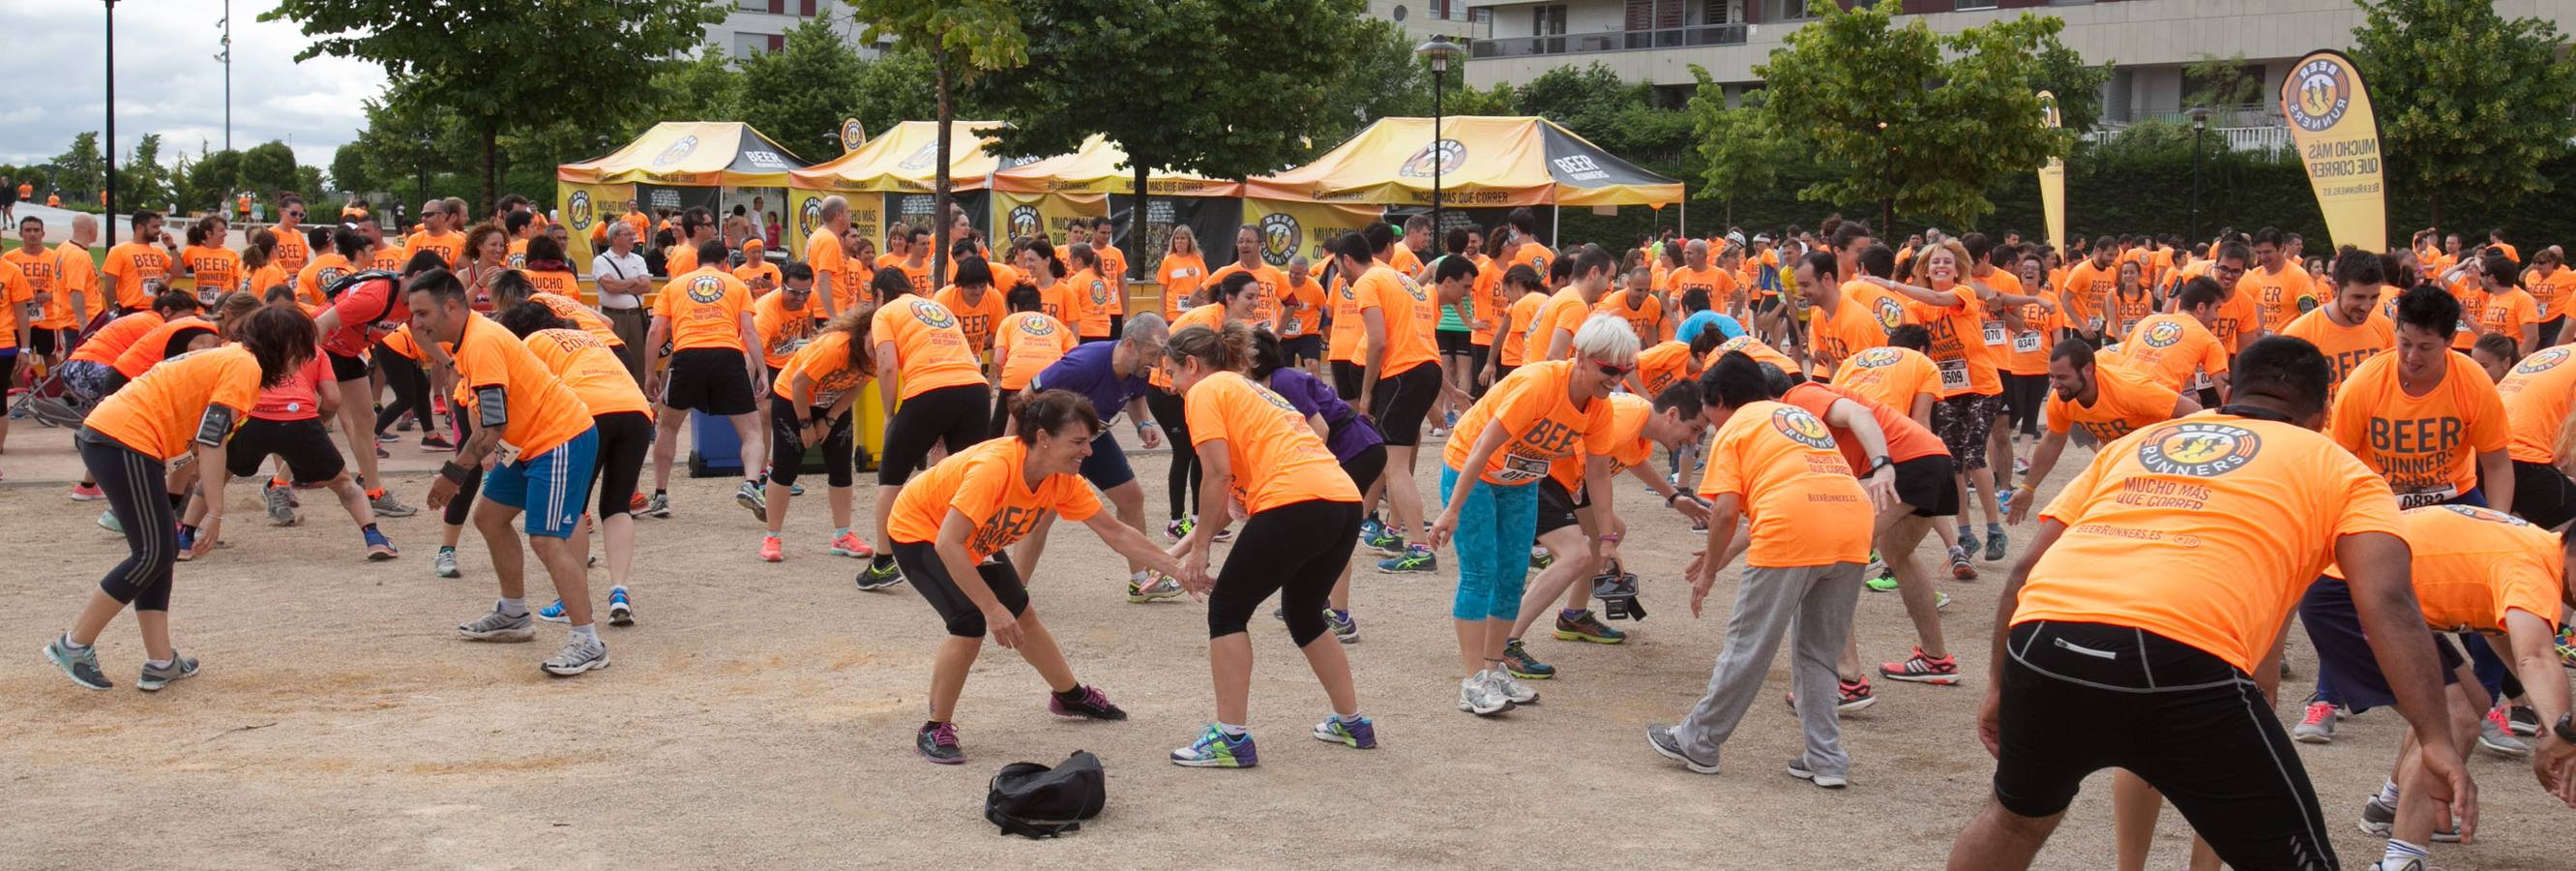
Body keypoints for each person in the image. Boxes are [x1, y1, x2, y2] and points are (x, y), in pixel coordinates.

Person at [1945, 335, 2473, 871]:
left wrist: (1998, 686)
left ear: (2231, 392)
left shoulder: (2141, 442)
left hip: (2043, 642)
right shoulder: (2340, 467)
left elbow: (2023, 572)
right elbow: (2387, 602)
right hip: (2180, 657)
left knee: (2011, 822)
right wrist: (2435, 737)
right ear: (2321, 412)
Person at [889, 391, 1184, 764]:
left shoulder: (1061, 478)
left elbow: (1117, 533)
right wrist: (991, 607)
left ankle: (1068, 695)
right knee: (968, 623)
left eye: (1089, 442)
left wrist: (1177, 568)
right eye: (1077, 442)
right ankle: (935, 726)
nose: (1088, 452)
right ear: (1043, 437)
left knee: (1023, 613)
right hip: (921, 532)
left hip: (972, 539)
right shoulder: (995, 468)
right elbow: (949, 543)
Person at [41, 304, 315, 691]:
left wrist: (172, 500)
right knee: (153, 553)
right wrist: (215, 513)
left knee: (161, 551)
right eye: (303, 348)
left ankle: (160, 661)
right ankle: (74, 643)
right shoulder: (245, 365)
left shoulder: (234, 360)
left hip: (126, 440)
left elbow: (194, 440)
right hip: (124, 439)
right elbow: (211, 439)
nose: (306, 359)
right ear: (286, 345)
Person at [2291, 505, 2576, 871]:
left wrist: (2549, 723)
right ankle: (2402, 860)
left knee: (2474, 705)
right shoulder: (2532, 570)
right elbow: (2534, 657)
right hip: (2352, 596)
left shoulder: (2539, 545)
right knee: (2454, 720)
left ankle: (2388, 807)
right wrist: (2561, 735)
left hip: (2382, 593)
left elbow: (2506, 634)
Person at [1643, 350, 1877, 785]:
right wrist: (1722, 558)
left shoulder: (1735, 429)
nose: (1709, 422)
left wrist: (1711, 569)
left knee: (1748, 645)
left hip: (1793, 532)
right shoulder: (1796, 417)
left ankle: (1699, 740)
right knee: (1820, 653)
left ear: (1718, 399)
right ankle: (1826, 759)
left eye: (1709, 412)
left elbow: (1727, 512)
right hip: (1853, 527)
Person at [1160, 321, 1370, 766]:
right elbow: (1249, 467)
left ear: (1192, 365)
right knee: (1304, 613)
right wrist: (1181, 550)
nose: (1173, 387)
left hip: (1296, 499)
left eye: (1172, 374)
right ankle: (1352, 721)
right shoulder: (1250, 388)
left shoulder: (1205, 392)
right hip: (1342, 498)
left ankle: (1231, 738)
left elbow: (1215, 474)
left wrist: (1200, 551)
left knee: (1228, 610)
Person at [1427, 315, 1639, 716]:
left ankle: (1494, 669)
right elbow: (1482, 445)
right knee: (1479, 572)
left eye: (1624, 370)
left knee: (1510, 576)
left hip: (1522, 481)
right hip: (1474, 471)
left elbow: (1597, 473)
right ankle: (1473, 681)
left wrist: (1607, 538)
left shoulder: (1599, 408)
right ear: (1581, 358)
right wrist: (1452, 509)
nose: (1616, 379)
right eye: (1608, 369)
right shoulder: (1540, 384)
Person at [404, 268, 610, 676]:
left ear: (451, 307)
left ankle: (588, 640)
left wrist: (453, 473)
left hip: (559, 439)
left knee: (547, 540)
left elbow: (492, 425)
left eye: (423, 313)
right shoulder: (468, 338)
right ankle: (515, 614)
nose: (416, 323)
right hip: (528, 442)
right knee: (489, 517)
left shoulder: (480, 342)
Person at [1500, 381, 1712, 680]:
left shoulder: (1640, 425)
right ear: (1673, 415)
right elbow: (1595, 471)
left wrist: (1675, 497)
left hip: (1571, 481)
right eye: (1694, 429)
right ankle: (1504, 643)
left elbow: (1633, 460)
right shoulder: (1626, 420)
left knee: (1612, 532)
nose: (1695, 440)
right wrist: (1605, 539)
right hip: (1542, 476)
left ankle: (1573, 617)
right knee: (1575, 556)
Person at [1247, 329, 1383, 643]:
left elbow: (1318, 430)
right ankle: (1314, 600)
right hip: (1346, 449)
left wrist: (1304, 470)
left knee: (1336, 533)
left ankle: (1340, 616)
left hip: (1356, 449)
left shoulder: (1283, 381)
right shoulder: (1266, 384)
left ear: (1253, 357)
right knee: (1314, 530)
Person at [859, 268, 991, 589]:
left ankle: (883, 562)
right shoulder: (938, 308)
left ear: (879, 295)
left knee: (890, 477)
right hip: (975, 389)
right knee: (967, 478)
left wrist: (890, 413)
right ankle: (976, 555)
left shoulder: (886, 312)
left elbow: (888, 366)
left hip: (930, 389)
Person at [641, 239, 767, 520]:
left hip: (688, 356)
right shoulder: (735, 284)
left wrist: (651, 372)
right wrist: (762, 370)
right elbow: (748, 330)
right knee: (752, 431)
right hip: (727, 355)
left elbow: (655, 332)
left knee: (669, 426)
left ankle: (661, 494)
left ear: (699, 260)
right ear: (725, 263)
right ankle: (751, 483)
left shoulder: (674, 286)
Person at [2010, 339, 2201, 524]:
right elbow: (2053, 441)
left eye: (2062, 377)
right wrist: (2028, 488)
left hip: (2156, 464)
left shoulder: (2131, 390)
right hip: (2119, 461)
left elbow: (2195, 412)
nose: (2055, 384)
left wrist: (2181, 456)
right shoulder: (2060, 399)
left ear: (2088, 370)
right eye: (2051, 376)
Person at [308, 227, 419, 519]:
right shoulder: (375, 296)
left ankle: (374, 491)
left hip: (348, 353)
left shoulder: (411, 301)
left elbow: (425, 336)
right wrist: (314, 366)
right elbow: (320, 323)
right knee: (319, 418)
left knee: (363, 421)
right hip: (321, 346)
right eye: (368, 250)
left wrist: (449, 360)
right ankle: (278, 483)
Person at [755, 304, 875, 563]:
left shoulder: (882, 355)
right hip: (793, 398)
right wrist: (806, 423)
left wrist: (830, 419)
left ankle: (842, 535)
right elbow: (798, 383)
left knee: (841, 467)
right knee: (786, 467)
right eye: (875, 340)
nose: (878, 350)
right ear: (864, 331)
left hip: (833, 401)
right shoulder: (835, 347)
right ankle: (772, 536)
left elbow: (858, 385)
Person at [2281, 250, 2400, 401]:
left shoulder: (2384, 326)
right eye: (2358, 297)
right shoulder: (2300, 333)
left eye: (2374, 297)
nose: (2366, 306)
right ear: (2336, 289)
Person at [2119, 277, 2233, 406]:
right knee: (2196, 410)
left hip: (2120, 397)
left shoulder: (2147, 322)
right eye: (2216, 309)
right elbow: (2226, 394)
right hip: (2156, 407)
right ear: (2201, 307)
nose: (2216, 317)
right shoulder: (2208, 339)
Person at [990, 283, 1077, 436]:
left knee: (998, 432)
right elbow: (1074, 356)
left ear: (1015, 307)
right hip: (1049, 379)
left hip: (1015, 378)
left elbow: (998, 360)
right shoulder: (1056, 324)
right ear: (1040, 307)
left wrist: (1003, 378)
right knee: (1047, 430)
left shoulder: (1010, 321)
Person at [591, 222, 652, 382]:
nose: (633, 237)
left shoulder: (638, 259)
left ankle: (640, 396)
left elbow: (646, 286)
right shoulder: (601, 261)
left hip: (635, 316)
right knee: (613, 357)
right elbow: (609, 286)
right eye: (628, 234)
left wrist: (620, 286)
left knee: (639, 359)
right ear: (615, 238)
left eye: (633, 234)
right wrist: (633, 282)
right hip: (612, 317)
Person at [101, 210, 181, 314]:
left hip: (156, 310)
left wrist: (172, 246)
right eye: (155, 227)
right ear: (139, 228)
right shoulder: (118, 251)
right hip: (131, 310)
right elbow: (109, 288)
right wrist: (115, 313)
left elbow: (179, 272)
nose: (159, 231)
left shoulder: (159, 252)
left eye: (159, 227)